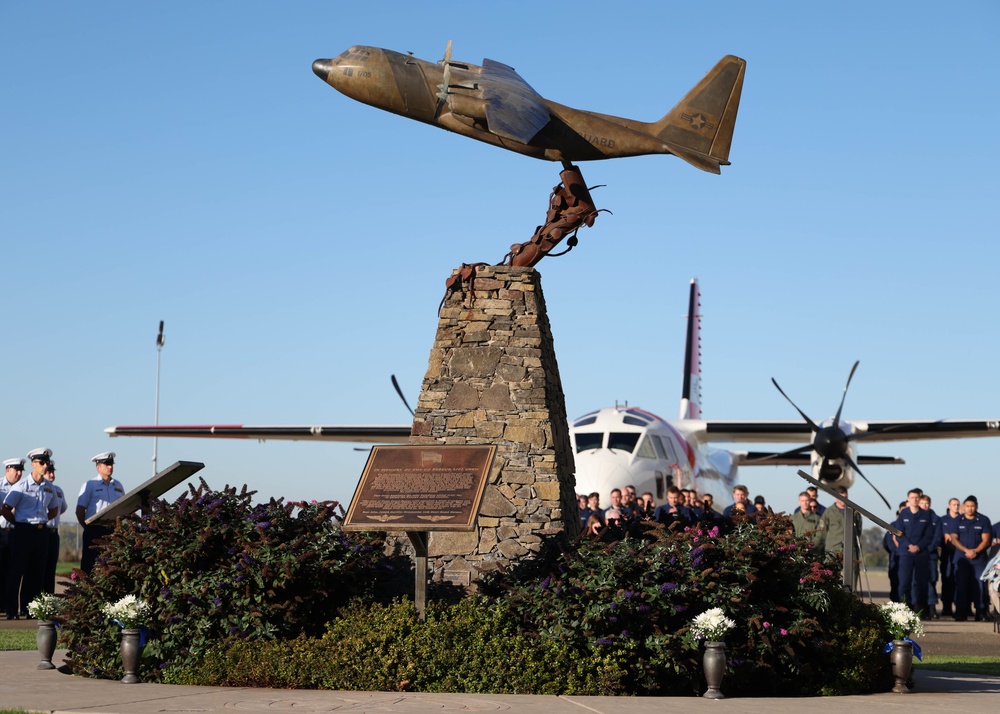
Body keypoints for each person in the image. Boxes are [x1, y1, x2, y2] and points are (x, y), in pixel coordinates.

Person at [2, 448, 59, 619]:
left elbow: (54, 509)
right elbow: (5, 509)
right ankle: (11, 610)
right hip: (23, 531)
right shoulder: (21, 486)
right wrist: (19, 523)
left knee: (36, 573)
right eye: (42, 463)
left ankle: (29, 609)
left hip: (41, 533)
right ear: (34, 464)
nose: (45, 466)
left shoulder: (49, 487)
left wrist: (41, 521)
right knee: (16, 571)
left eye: (46, 463)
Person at [76, 451, 126, 575]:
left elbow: (124, 507)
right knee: (90, 565)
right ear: (98, 467)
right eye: (107, 464)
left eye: (111, 464)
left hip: (112, 531)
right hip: (94, 530)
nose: (110, 467)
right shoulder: (90, 485)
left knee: (111, 566)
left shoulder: (118, 485)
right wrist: (88, 528)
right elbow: (80, 510)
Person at [945, 495, 992, 621]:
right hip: (962, 559)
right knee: (961, 586)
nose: (970, 509)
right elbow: (954, 538)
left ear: (976, 507)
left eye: (972, 506)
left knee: (980, 586)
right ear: (963, 507)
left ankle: (981, 611)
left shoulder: (983, 520)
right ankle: (961, 611)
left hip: (979, 559)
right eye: (967, 506)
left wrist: (975, 551)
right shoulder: (957, 520)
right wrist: (966, 551)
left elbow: (986, 539)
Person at [892, 489, 935, 617]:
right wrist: (908, 545)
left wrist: (919, 547)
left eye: (917, 497)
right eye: (912, 497)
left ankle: (921, 609)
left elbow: (929, 535)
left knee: (921, 582)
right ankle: (904, 609)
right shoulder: (903, 514)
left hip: (921, 553)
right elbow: (899, 533)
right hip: (906, 553)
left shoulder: (926, 515)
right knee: (904, 582)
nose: (915, 500)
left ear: (920, 498)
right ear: (908, 499)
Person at [0, 458, 25, 614]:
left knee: (14, 572)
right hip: (1, 532)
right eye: (16, 470)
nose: (19, 473)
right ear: (7, 470)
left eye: (21, 470)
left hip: (17, 533)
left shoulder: (23, 487)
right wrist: (7, 511)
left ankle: (10, 607)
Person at [41, 460, 67, 594]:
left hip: (53, 533)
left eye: (52, 472)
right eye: (48, 472)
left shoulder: (58, 491)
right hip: (41, 532)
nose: (51, 475)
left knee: (51, 568)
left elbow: (61, 509)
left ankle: (49, 599)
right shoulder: (39, 488)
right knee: (40, 568)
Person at [818, 486, 861, 558]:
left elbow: (858, 531)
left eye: (845, 497)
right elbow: (822, 531)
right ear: (836, 497)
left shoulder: (854, 512)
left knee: (852, 568)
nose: (843, 500)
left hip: (850, 551)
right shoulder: (829, 512)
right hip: (833, 550)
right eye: (841, 498)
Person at [920, 494, 943, 618]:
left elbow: (938, 537)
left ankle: (932, 608)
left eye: (927, 503)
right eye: (922, 503)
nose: (925, 506)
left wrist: (928, 548)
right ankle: (921, 608)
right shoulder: (916, 518)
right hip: (918, 555)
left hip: (931, 555)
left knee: (931, 580)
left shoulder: (936, 519)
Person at [939, 497, 961, 617]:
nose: (956, 507)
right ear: (949, 506)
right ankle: (946, 607)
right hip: (946, 555)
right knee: (947, 581)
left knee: (960, 582)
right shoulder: (942, 520)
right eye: (954, 504)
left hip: (959, 555)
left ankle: (961, 607)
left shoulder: (962, 519)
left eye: (958, 504)